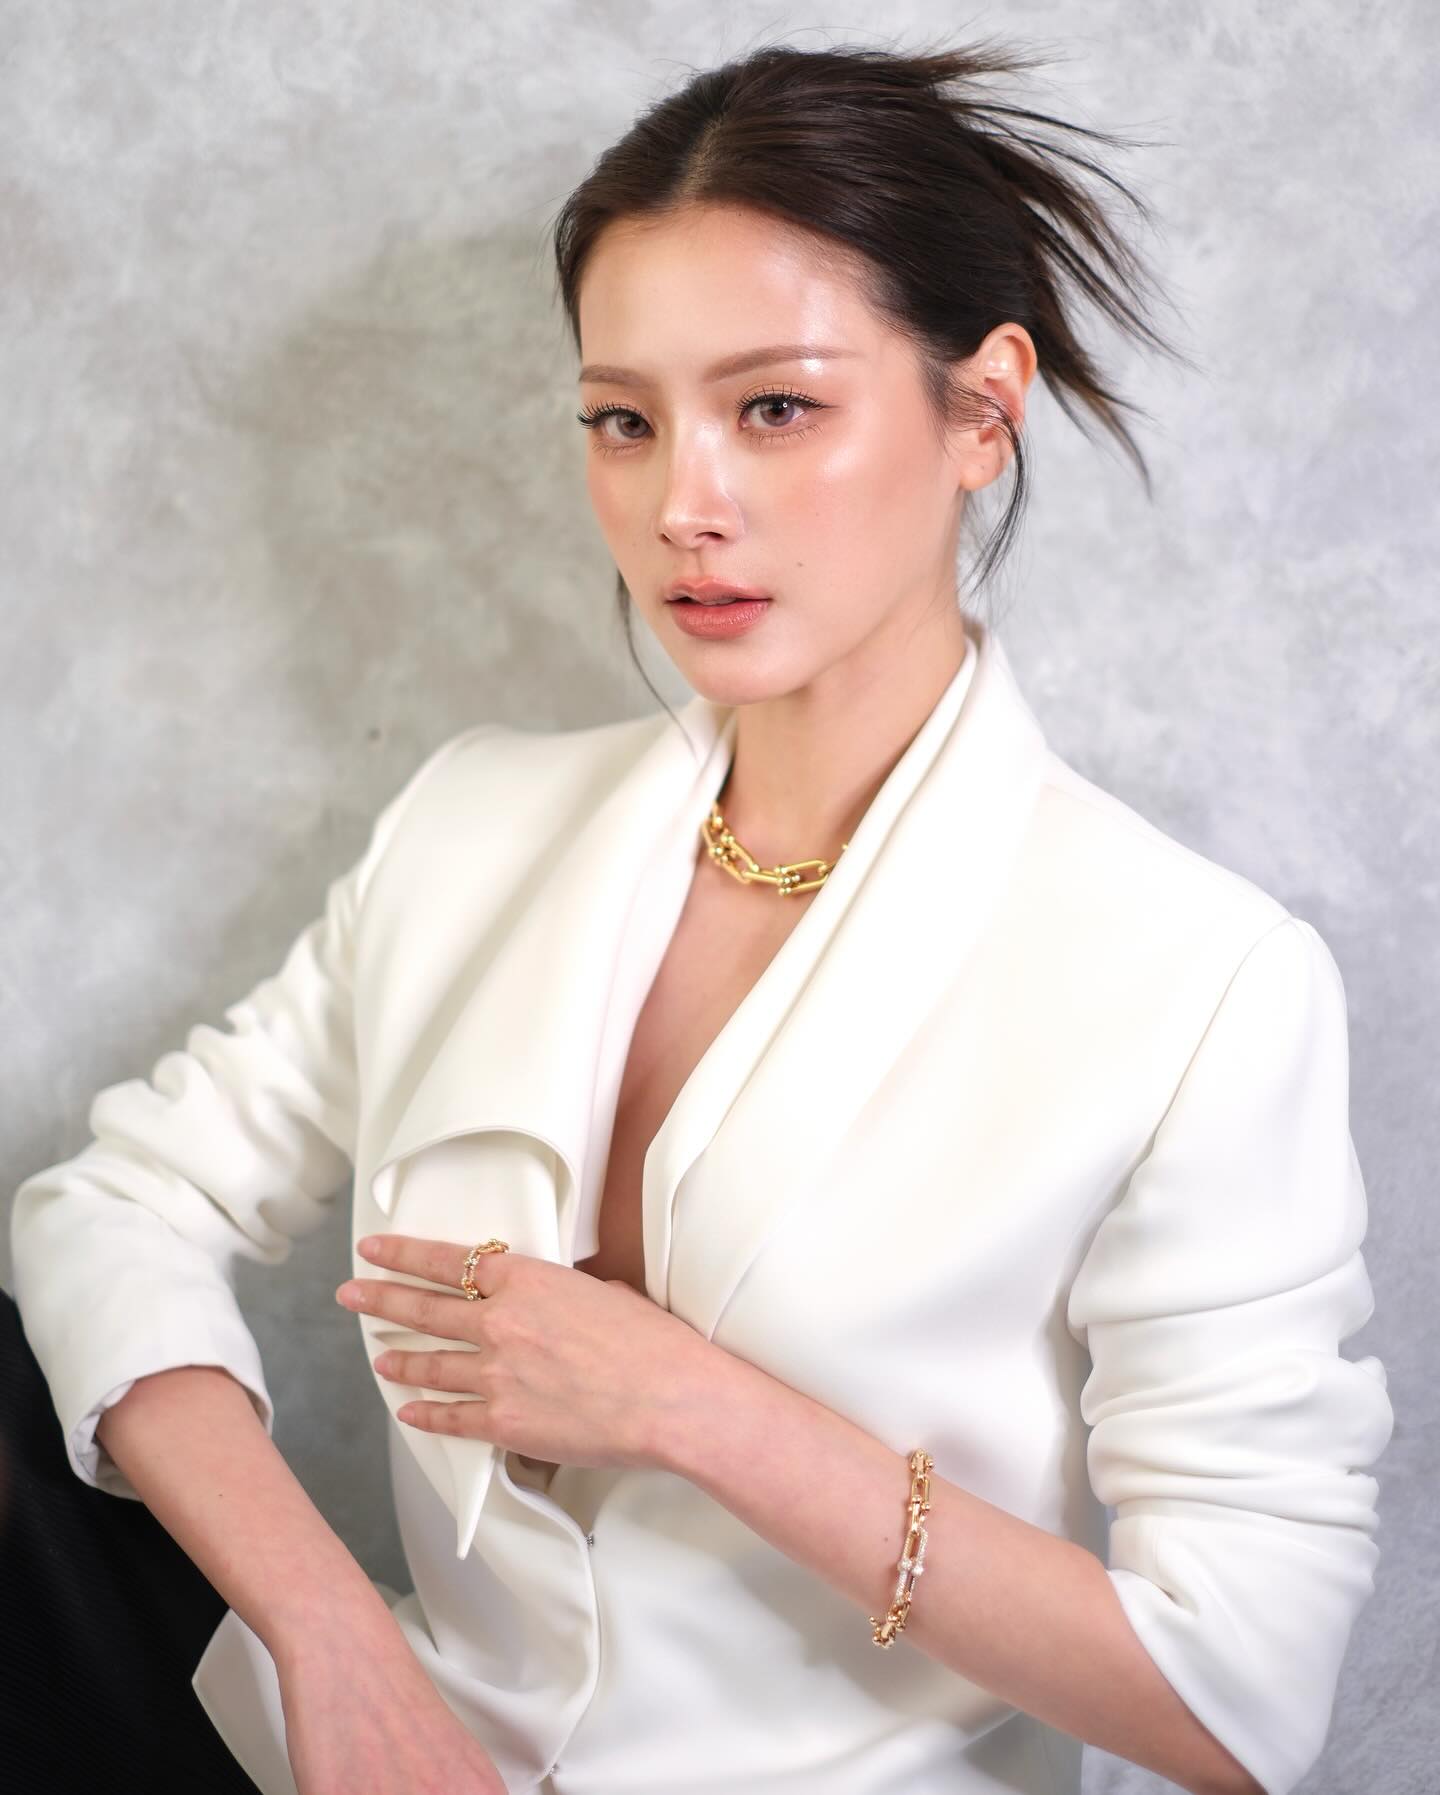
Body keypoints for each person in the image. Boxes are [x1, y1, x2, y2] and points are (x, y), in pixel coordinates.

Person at [5, 35, 1393, 1795]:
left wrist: (688, 1405)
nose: (682, 506)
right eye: (624, 420)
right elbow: (111, 1209)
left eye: (777, 409)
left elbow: (1239, 1701)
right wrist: (332, 1641)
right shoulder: (475, 825)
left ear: (982, 411)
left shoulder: (1199, 983)